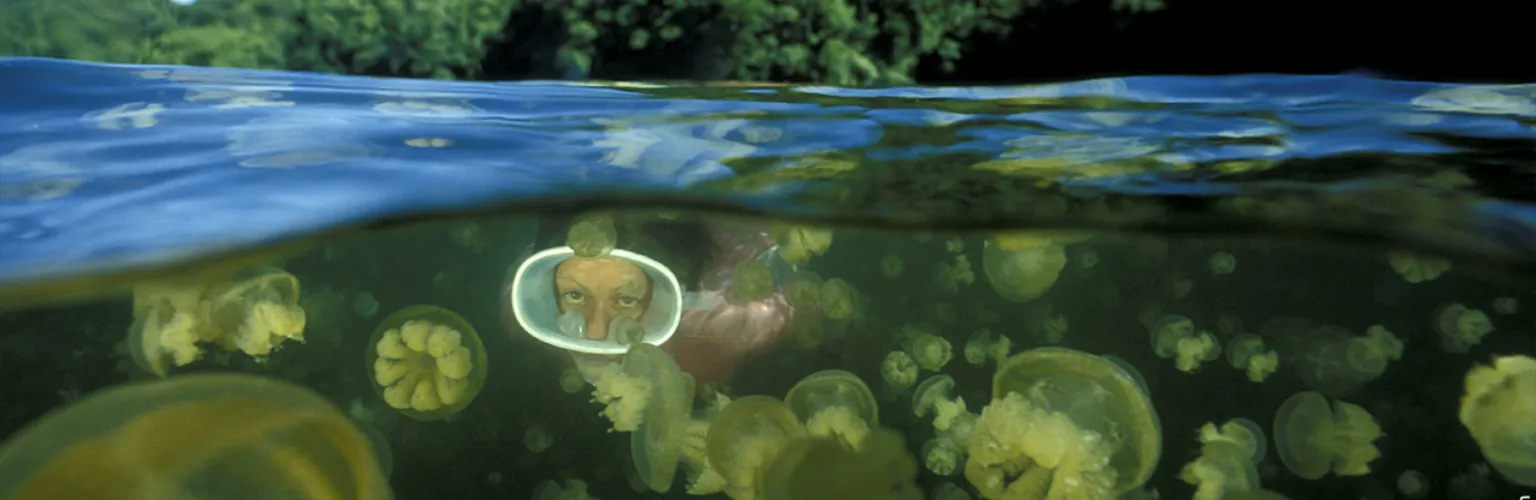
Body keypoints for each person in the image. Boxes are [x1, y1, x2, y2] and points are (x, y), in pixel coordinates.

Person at [503, 214, 796, 384]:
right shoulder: (520, 303)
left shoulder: (718, 336)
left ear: (662, 299)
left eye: (627, 299)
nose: (595, 334)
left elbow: (800, 305)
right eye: (575, 295)